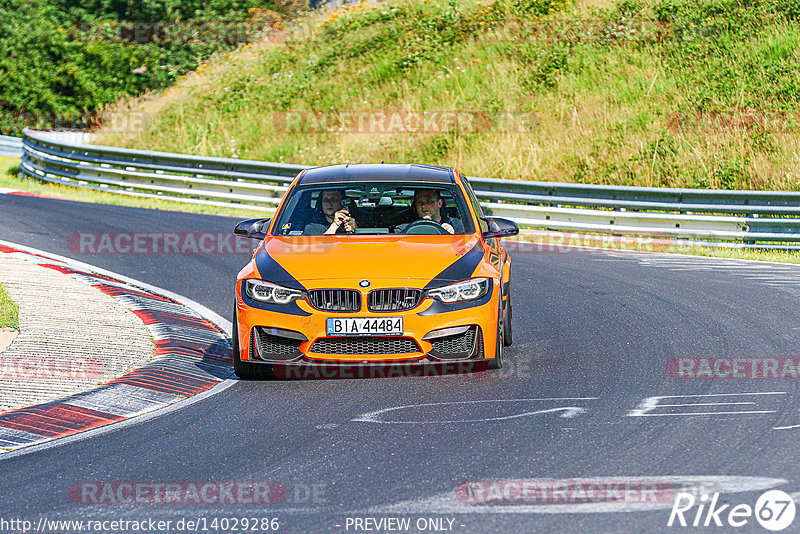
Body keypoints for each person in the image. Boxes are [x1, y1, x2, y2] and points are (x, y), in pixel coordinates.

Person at [397, 189, 464, 234]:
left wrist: (453, 234)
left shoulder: (456, 225)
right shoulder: (404, 229)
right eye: (420, 202)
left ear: (440, 203)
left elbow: (466, 245)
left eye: (428, 201)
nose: (423, 206)